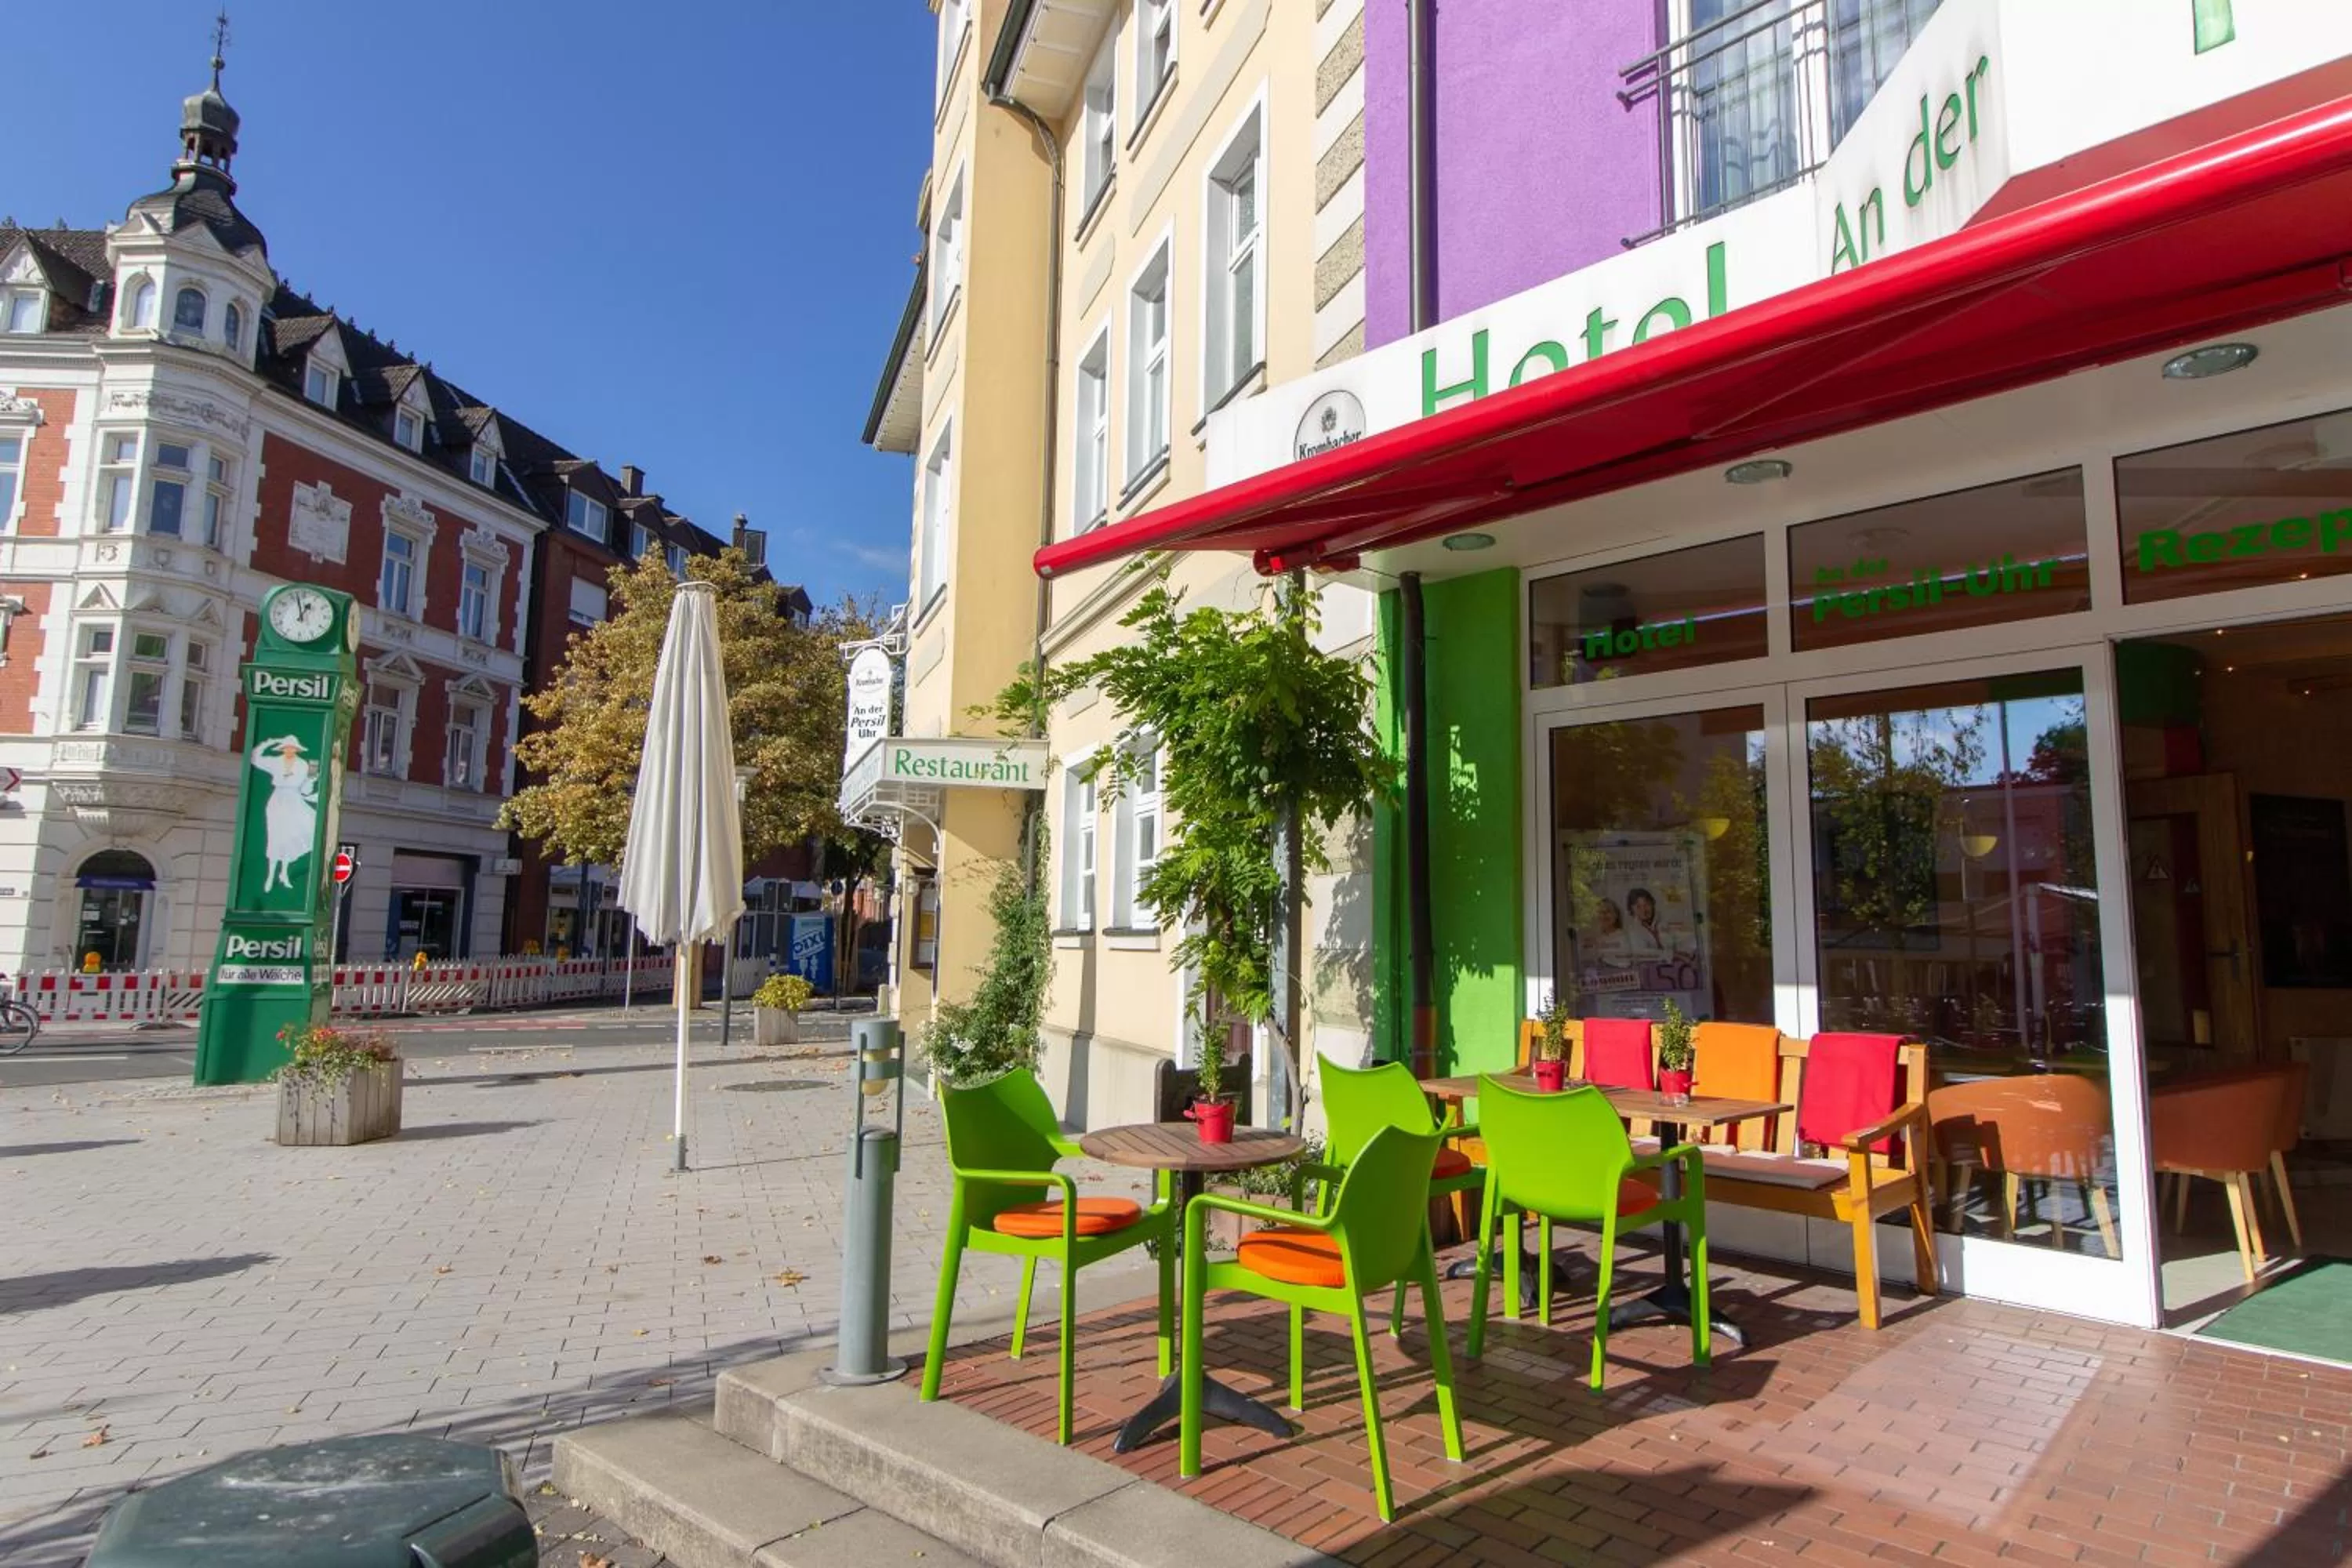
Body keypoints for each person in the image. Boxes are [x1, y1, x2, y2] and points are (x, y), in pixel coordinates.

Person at [1625, 887, 1668, 951]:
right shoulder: (1633, 932)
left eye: (1647, 905)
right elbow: (1646, 955)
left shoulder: (1664, 919)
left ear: (1653, 904)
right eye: (1638, 907)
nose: (1644, 910)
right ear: (1632, 910)